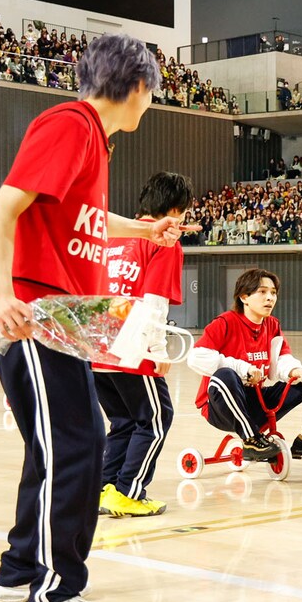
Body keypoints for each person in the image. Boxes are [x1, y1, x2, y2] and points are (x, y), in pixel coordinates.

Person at [0, 34, 193, 602]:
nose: (150, 103)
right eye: (150, 94)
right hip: (36, 316)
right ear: (134, 88)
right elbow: (2, 211)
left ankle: (18, 569)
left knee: (54, 448)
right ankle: (53, 593)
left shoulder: (90, 143)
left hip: (63, 321)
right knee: (76, 447)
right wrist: (4, 295)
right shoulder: (71, 125)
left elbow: (85, 220)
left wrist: (144, 230)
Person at [92, 171, 193, 518]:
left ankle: (106, 488)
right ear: (177, 210)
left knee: (123, 420)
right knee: (156, 419)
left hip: (98, 343)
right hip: (133, 345)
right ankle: (129, 493)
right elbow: (153, 301)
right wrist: (158, 350)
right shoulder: (164, 239)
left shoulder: (115, 237)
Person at [188, 268, 302, 462]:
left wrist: (298, 372)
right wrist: (242, 369)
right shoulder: (225, 322)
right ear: (244, 296)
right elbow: (196, 357)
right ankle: (251, 439)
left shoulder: (272, 325)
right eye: (262, 292)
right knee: (225, 375)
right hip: (221, 407)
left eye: (273, 293)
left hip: (257, 401)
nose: (269, 298)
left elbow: (281, 360)